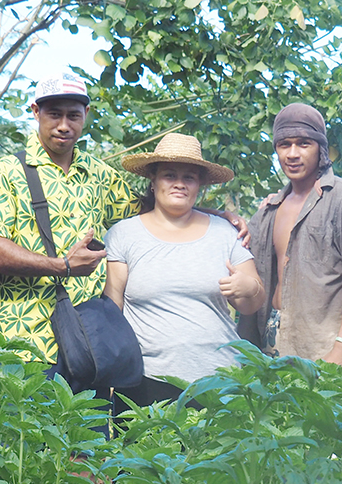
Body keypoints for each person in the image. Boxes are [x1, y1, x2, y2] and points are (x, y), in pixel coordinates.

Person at [0, 71, 249, 365]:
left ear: (86, 115)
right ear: (35, 112)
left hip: (87, 343)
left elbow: (150, 207)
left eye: (73, 116)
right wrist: (62, 266)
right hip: (23, 340)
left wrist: (212, 214)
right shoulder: (7, 171)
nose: (64, 126)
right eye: (54, 115)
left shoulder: (98, 174)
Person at [102, 133, 265, 405]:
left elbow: (253, 303)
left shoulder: (226, 233)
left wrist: (248, 288)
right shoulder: (123, 234)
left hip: (218, 380)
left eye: (189, 177)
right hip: (144, 381)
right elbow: (112, 308)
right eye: (169, 175)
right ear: (152, 181)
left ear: (199, 184)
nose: (179, 184)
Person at [237, 103, 342, 366]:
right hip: (272, 341)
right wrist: (229, 217)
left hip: (325, 348)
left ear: (320, 148)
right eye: (284, 144)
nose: (292, 153)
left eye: (303, 143)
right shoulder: (269, 209)